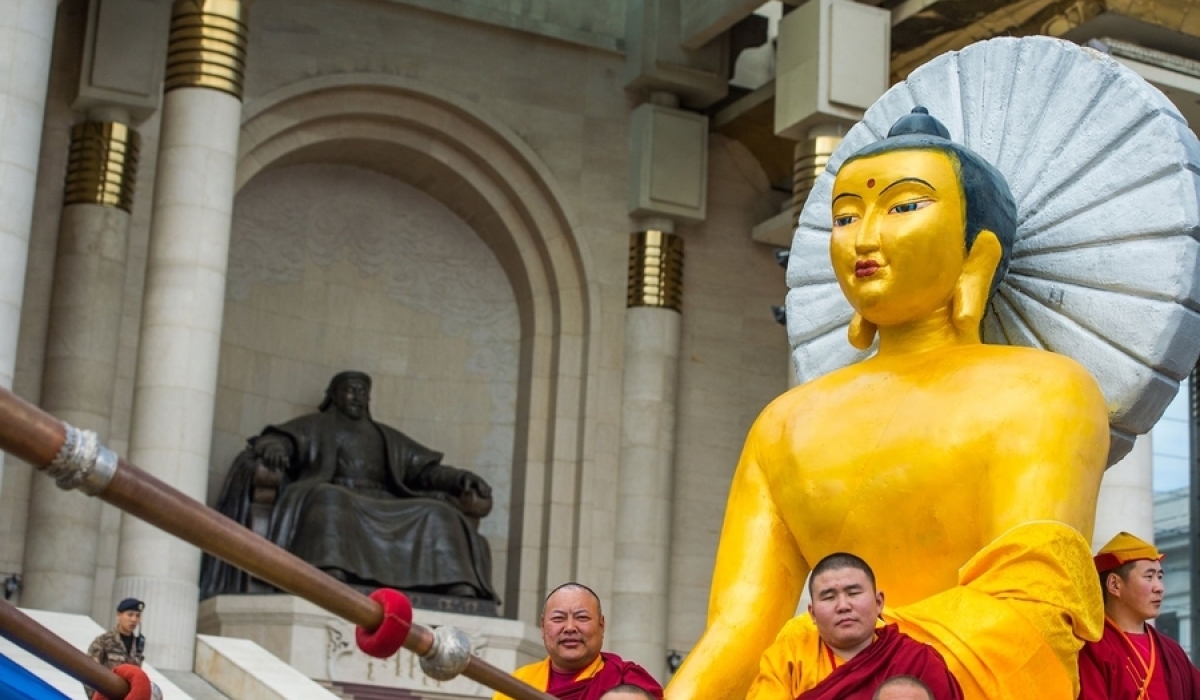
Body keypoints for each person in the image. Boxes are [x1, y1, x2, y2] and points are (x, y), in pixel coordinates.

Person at [665, 108, 1108, 700]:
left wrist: (857, 665)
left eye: (903, 207)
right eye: (846, 216)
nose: (864, 238)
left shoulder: (1043, 391)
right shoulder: (785, 423)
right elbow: (741, 629)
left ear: (977, 252)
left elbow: (1029, 607)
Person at [201, 370, 497, 600]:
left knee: (438, 513)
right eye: (349, 391)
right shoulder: (316, 425)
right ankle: (330, 569)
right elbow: (280, 439)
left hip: (382, 499)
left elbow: (426, 471)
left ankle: (456, 582)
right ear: (334, 396)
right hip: (335, 491)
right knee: (330, 500)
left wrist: (460, 478)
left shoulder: (383, 435)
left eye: (362, 392)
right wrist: (274, 448)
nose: (356, 396)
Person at [747, 553, 962, 700]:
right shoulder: (788, 658)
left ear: (879, 603)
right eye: (829, 597)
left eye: (854, 593)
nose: (843, 606)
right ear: (812, 613)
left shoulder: (917, 661)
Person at [1078, 532, 1200, 699]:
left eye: (1160, 577)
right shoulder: (1093, 648)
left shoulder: (1172, 651)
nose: (1159, 587)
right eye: (1149, 577)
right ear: (1114, 584)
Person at [493, 583, 663, 700]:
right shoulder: (518, 682)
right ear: (543, 627)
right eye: (558, 618)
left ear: (601, 625)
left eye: (581, 618)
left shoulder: (627, 679)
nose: (570, 628)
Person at [84, 598, 145, 697]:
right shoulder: (103, 641)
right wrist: (97, 698)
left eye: (137, 616)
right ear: (119, 615)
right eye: (130, 615)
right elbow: (88, 671)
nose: (134, 619)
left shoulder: (138, 645)